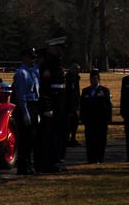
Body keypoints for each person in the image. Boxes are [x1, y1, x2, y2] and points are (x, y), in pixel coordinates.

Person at [37, 43, 67, 172]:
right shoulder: (47, 65)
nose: (61, 51)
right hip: (52, 104)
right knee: (50, 135)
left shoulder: (56, 63)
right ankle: (48, 163)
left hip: (59, 104)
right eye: (58, 49)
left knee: (58, 134)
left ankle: (56, 160)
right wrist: (48, 106)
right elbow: (45, 88)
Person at [12, 47, 40, 175]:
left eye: (34, 58)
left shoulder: (31, 72)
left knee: (31, 138)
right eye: (31, 57)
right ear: (24, 58)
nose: (33, 60)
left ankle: (29, 164)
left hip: (33, 105)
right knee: (25, 138)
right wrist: (25, 112)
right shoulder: (21, 73)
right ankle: (23, 166)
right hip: (26, 105)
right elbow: (21, 95)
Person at [80, 69, 112, 164]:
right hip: (89, 120)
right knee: (90, 140)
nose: (93, 80)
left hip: (101, 120)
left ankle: (99, 158)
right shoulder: (85, 91)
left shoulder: (105, 91)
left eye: (94, 78)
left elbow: (108, 105)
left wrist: (108, 118)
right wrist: (82, 117)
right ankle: (90, 158)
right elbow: (82, 105)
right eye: (91, 78)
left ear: (98, 79)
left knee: (100, 140)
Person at [65, 63, 81, 147]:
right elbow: (69, 94)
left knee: (74, 124)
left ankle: (72, 138)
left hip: (75, 105)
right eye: (77, 70)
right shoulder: (69, 79)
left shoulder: (75, 79)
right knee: (69, 124)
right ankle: (68, 139)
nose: (78, 72)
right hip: (70, 106)